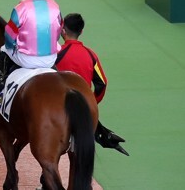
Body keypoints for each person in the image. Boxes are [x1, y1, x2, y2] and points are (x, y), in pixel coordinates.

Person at [55, 13, 129, 153]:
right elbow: (102, 83)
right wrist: (91, 102)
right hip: (83, 105)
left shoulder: (55, 54)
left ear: (62, 30)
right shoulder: (91, 54)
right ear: (81, 31)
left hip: (58, 105)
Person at [0, 0, 63, 98]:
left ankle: (1, 81)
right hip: (50, 60)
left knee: (3, 49)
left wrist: (12, 46)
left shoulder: (20, 7)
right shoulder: (55, 5)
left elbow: (9, 37)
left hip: (27, 60)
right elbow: (58, 32)